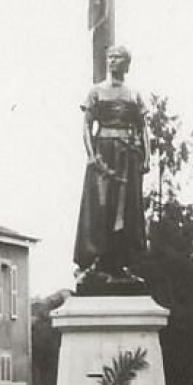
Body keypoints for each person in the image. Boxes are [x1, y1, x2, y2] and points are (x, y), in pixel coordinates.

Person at [74, 45, 150, 290]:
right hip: (104, 153)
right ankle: (97, 261)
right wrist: (92, 154)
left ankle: (120, 263)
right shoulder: (96, 92)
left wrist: (146, 157)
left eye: (118, 58)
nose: (112, 61)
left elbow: (143, 128)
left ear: (127, 63)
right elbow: (86, 125)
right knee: (101, 207)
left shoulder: (133, 95)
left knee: (127, 209)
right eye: (110, 57)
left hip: (128, 155)